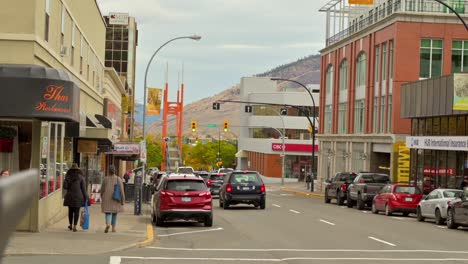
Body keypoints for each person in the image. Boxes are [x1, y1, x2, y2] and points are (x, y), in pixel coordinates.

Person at [63, 164, 88, 232]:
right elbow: (83, 189)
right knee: (76, 211)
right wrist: (86, 197)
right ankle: (75, 226)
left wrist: (66, 180)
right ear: (78, 170)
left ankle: (70, 225)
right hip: (78, 197)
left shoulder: (68, 177)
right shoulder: (81, 177)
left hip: (70, 196)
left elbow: (65, 187)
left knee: (70, 211)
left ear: (70, 170)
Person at [100, 165, 125, 233]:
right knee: (114, 213)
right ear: (114, 171)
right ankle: (113, 228)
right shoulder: (118, 179)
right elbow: (121, 191)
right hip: (115, 198)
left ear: (109, 171)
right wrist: (123, 199)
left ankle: (108, 223)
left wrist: (101, 195)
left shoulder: (105, 179)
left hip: (106, 198)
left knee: (107, 212)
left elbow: (102, 189)